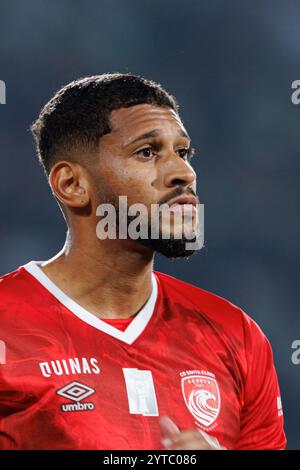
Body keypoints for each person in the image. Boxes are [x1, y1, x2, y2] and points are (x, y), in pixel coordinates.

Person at [0, 74, 286, 450]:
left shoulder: (237, 336)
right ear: (72, 184)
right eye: (147, 152)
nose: (184, 173)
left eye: (182, 152)